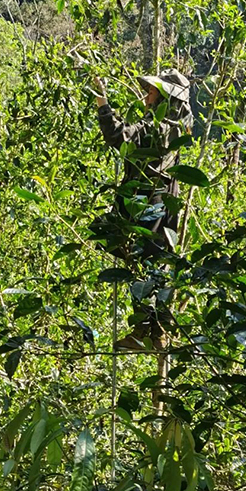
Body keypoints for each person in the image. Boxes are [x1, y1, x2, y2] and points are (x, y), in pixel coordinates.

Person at [91, 69, 192, 350]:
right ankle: (155, 330)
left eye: (151, 93)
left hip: (147, 202)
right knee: (154, 262)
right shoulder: (176, 127)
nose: (146, 99)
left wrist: (102, 102)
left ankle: (146, 330)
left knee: (129, 250)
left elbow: (118, 135)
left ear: (164, 99)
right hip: (165, 201)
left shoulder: (158, 127)